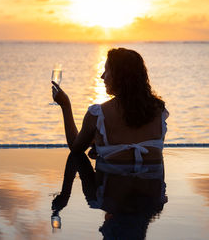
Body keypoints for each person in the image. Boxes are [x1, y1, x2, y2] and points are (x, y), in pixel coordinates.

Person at [51, 47, 169, 211]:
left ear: (120, 77)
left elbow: (76, 148)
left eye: (106, 71)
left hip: (112, 186)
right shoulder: (159, 112)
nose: (102, 77)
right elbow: (135, 140)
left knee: (92, 194)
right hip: (151, 194)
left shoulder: (98, 114)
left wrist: (65, 105)